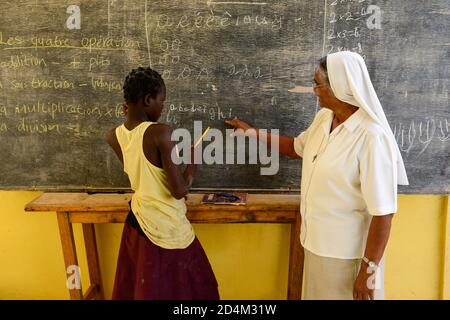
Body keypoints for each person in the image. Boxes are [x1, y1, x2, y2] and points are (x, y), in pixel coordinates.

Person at [226, 51, 408, 300]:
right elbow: (296, 147)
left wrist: (368, 270)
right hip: (315, 244)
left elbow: (383, 212)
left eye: (318, 84)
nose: (314, 90)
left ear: (340, 88)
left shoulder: (371, 138)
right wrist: (252, 133)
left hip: (347, 257)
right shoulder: (324, 119)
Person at [106, 67, 219, 300]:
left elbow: (142, 173)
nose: (163, 106)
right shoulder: (160, 132)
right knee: (188, 288)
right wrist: (192, 165)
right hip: (167, 224)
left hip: (138, 221)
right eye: (162, 101)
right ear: (148, 100)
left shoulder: (113, 135)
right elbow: (178, 191)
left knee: (148, 287)